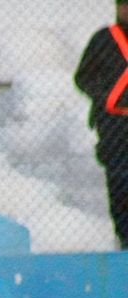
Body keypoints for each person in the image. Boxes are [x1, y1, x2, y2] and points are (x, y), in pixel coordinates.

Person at [76, 1, 128, 249]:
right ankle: (124, 236)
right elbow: (82, 77)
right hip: (113, 124)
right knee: (119, 179)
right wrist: (107, 97)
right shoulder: (104, 38)